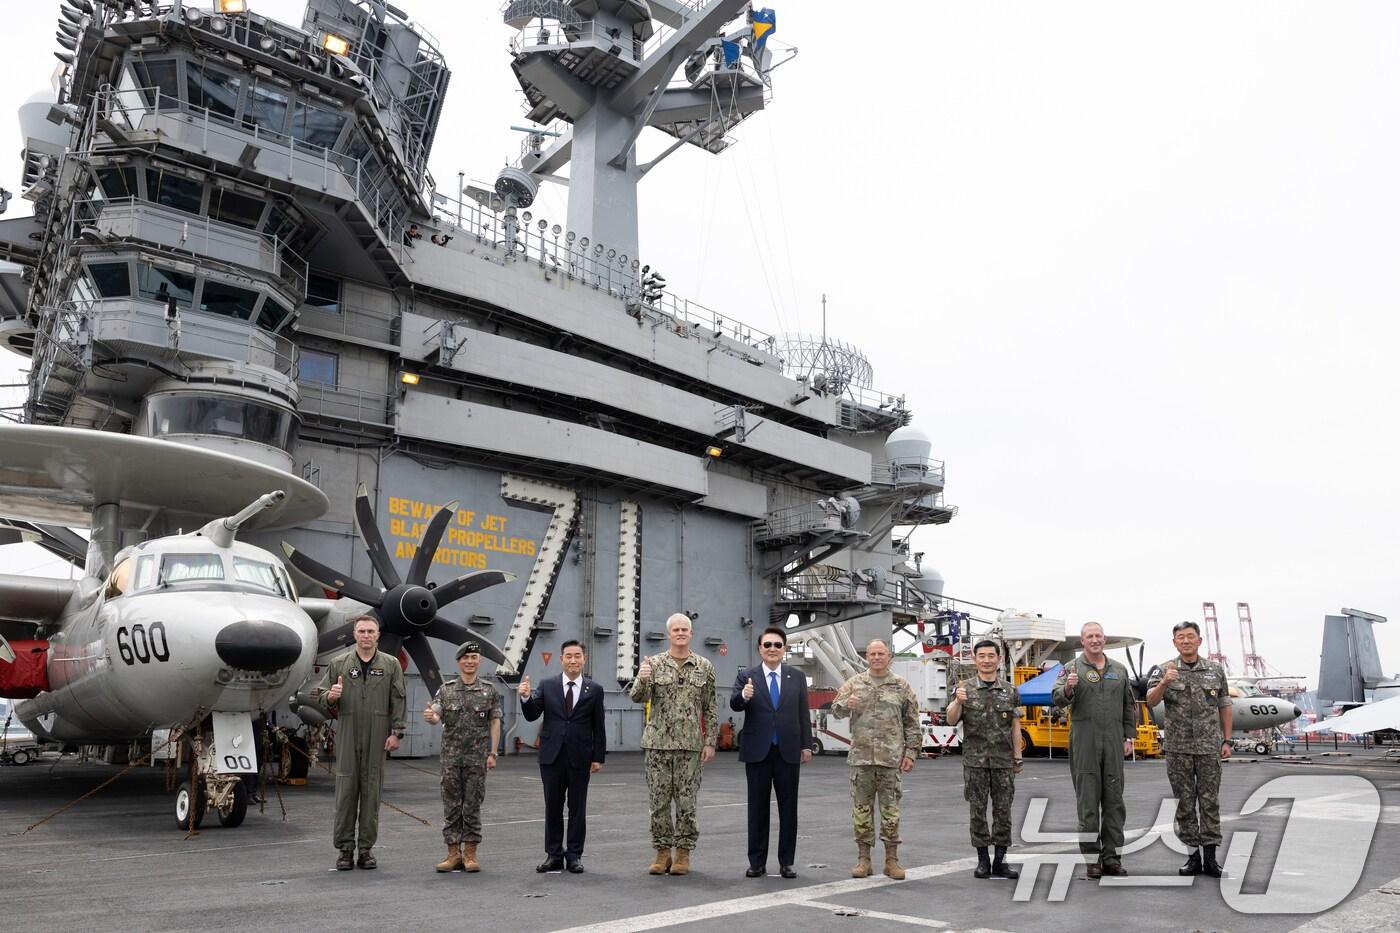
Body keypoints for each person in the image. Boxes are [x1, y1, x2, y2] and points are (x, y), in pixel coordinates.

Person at [628, 612, 718, 876]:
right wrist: (643, 678)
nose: (680, 633)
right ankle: (662, 852)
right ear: (669, 634)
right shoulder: (653, 665)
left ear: (691, 634)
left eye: (684, 629)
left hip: (690, 747)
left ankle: (683, 853)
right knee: (658, 802)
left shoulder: (705, 666)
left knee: (687, 802)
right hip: (658, 745)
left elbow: (710, 708)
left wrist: (710, 742)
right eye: (676, 629)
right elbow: (637, 697)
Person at [316, 614, 406, 870]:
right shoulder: (339, 664)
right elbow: (322, 694)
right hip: (348, 731)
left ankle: (366, 849)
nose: (366, 636)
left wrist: (396, 732)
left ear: (378, 635)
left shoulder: (390, 665)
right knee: (345, 793)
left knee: (371, 793)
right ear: (355, 635)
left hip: (378, 734)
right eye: (362, 631)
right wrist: (331, 696)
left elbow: (399, 699)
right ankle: (345, 850)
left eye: (371, 631)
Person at [1145, 621, 1232, 878]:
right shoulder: (1163, 669)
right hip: (1178, 748)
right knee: (1184, 802)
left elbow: (1225, 705)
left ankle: (1212, 859)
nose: (1186, 641)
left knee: (1209, 802)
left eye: (1190, 637)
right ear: (1174, 642)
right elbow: (1149, 701)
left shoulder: (1215, 671)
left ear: (1199, 641)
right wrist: (1163, 683)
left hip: (1208, 747)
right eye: (1180, 637)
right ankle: (1192, 857)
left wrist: (1227, 740)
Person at [829, 639, 921, 880]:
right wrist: (845, 704)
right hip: (861, 760)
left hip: (890, 760)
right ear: (867, 656)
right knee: (861, 811)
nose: (877, 657)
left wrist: (910, 753)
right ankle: (863, 860)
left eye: (881, 653)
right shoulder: (854, 683)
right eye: (872, 654)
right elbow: (835, 710)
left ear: (889, 656)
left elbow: (912, 723)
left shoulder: (901, 686)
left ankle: (892, 861)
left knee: (891, 812)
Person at [1051, 621, 1137, 878]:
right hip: (1084, 741)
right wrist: (1068, 687)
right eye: (1089, 636)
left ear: (1104, 638)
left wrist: (1129, 738)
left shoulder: (1119, 670)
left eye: (1098, 635)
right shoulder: (1070, 668)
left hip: (1113, 740)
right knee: (1088, 805)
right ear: (1082, 641)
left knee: (1114, 803)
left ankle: (1112, 858)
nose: (1094, 640)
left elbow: (1127, 706)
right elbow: (1055, 698)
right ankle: (1092, 859)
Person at [729, 626, 813, 879]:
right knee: (757, 809)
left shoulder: (796, 677)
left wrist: (806, 744)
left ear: (784, 649)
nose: (772, 649)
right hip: (758, 753)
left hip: (788, 752)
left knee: (789, 809)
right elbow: (734, 703)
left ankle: (787, 861)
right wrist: (743, 696)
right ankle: (757, 862)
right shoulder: (747, 676)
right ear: (760, 649)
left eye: (777, 645)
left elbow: (803, 713)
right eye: (768, 645)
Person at [519, 640, 607, 874]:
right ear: (561, 659)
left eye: (577, 656)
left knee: (578, 809)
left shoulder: (595, 690)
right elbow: (532, 715)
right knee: (553, 807)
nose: (573, 660)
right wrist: (526, 698)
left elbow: (599, 726)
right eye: (568, 656)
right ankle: (554, 855)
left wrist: (598, 757)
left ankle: (574, 855)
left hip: (580, 757)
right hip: (552, 757)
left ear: (584, 659)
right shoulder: (547, 685)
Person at [946, 639, 1022, 879]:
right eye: (982, 656)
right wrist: (958, 700)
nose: (987, 660)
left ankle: (1000, 861)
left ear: (999, 660)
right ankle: (982, 861)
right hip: (975, 762)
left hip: (1002, 762)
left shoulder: (1010, 691)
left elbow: (1015, 726)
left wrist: (1017, 757)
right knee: (977, 811)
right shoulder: (964, 688)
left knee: (1003, 812)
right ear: (975, 659)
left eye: (991, 655)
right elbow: (951, 719)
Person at [423, 641, 501, 873]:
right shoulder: (446, 690)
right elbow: (436, 712)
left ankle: (470, 854)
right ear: (459, 661)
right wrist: (431, 717)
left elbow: (494, 722)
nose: (469, 661)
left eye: (474, 658)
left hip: (477, 760)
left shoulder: (489, 691)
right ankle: (453, 854)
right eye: (465, 658)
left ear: (479, 661)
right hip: (451, 761)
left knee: (473, 806)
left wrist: (493, 753)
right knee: (451, 807)